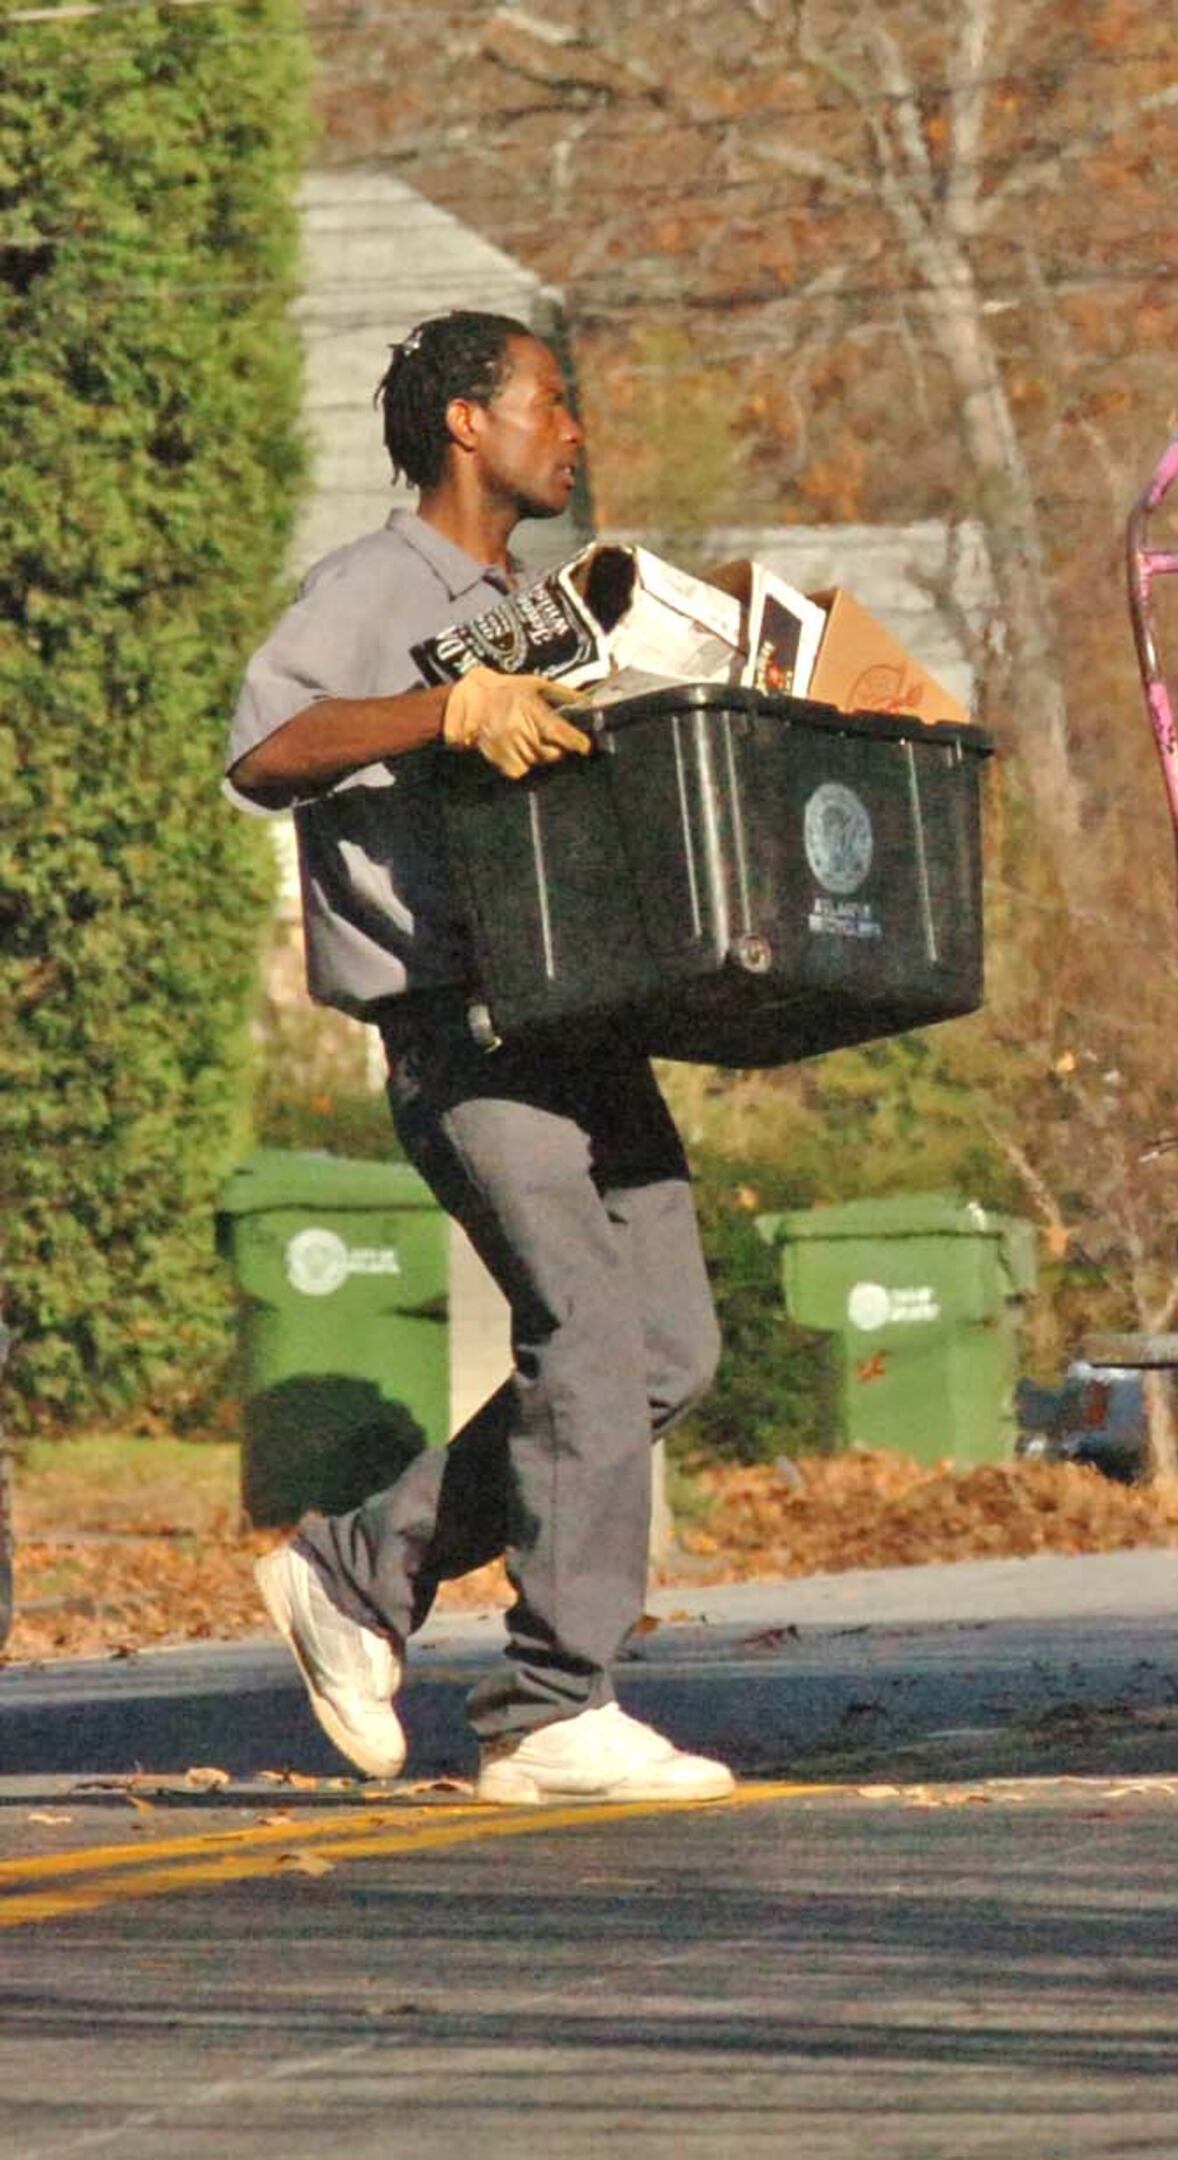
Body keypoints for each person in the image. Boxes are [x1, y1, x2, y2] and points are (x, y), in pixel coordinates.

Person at [231, 311, 734, 1806]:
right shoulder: (377, 587)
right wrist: (447, 707)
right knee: (585, 1334)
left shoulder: (539, 605)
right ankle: (550, 1708)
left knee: (666, 1352)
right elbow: (267, 749)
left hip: (583, 1021)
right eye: (550, 402)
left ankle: (356, 1572)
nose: (572, 431)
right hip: (466, 1030)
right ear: (467, 421)